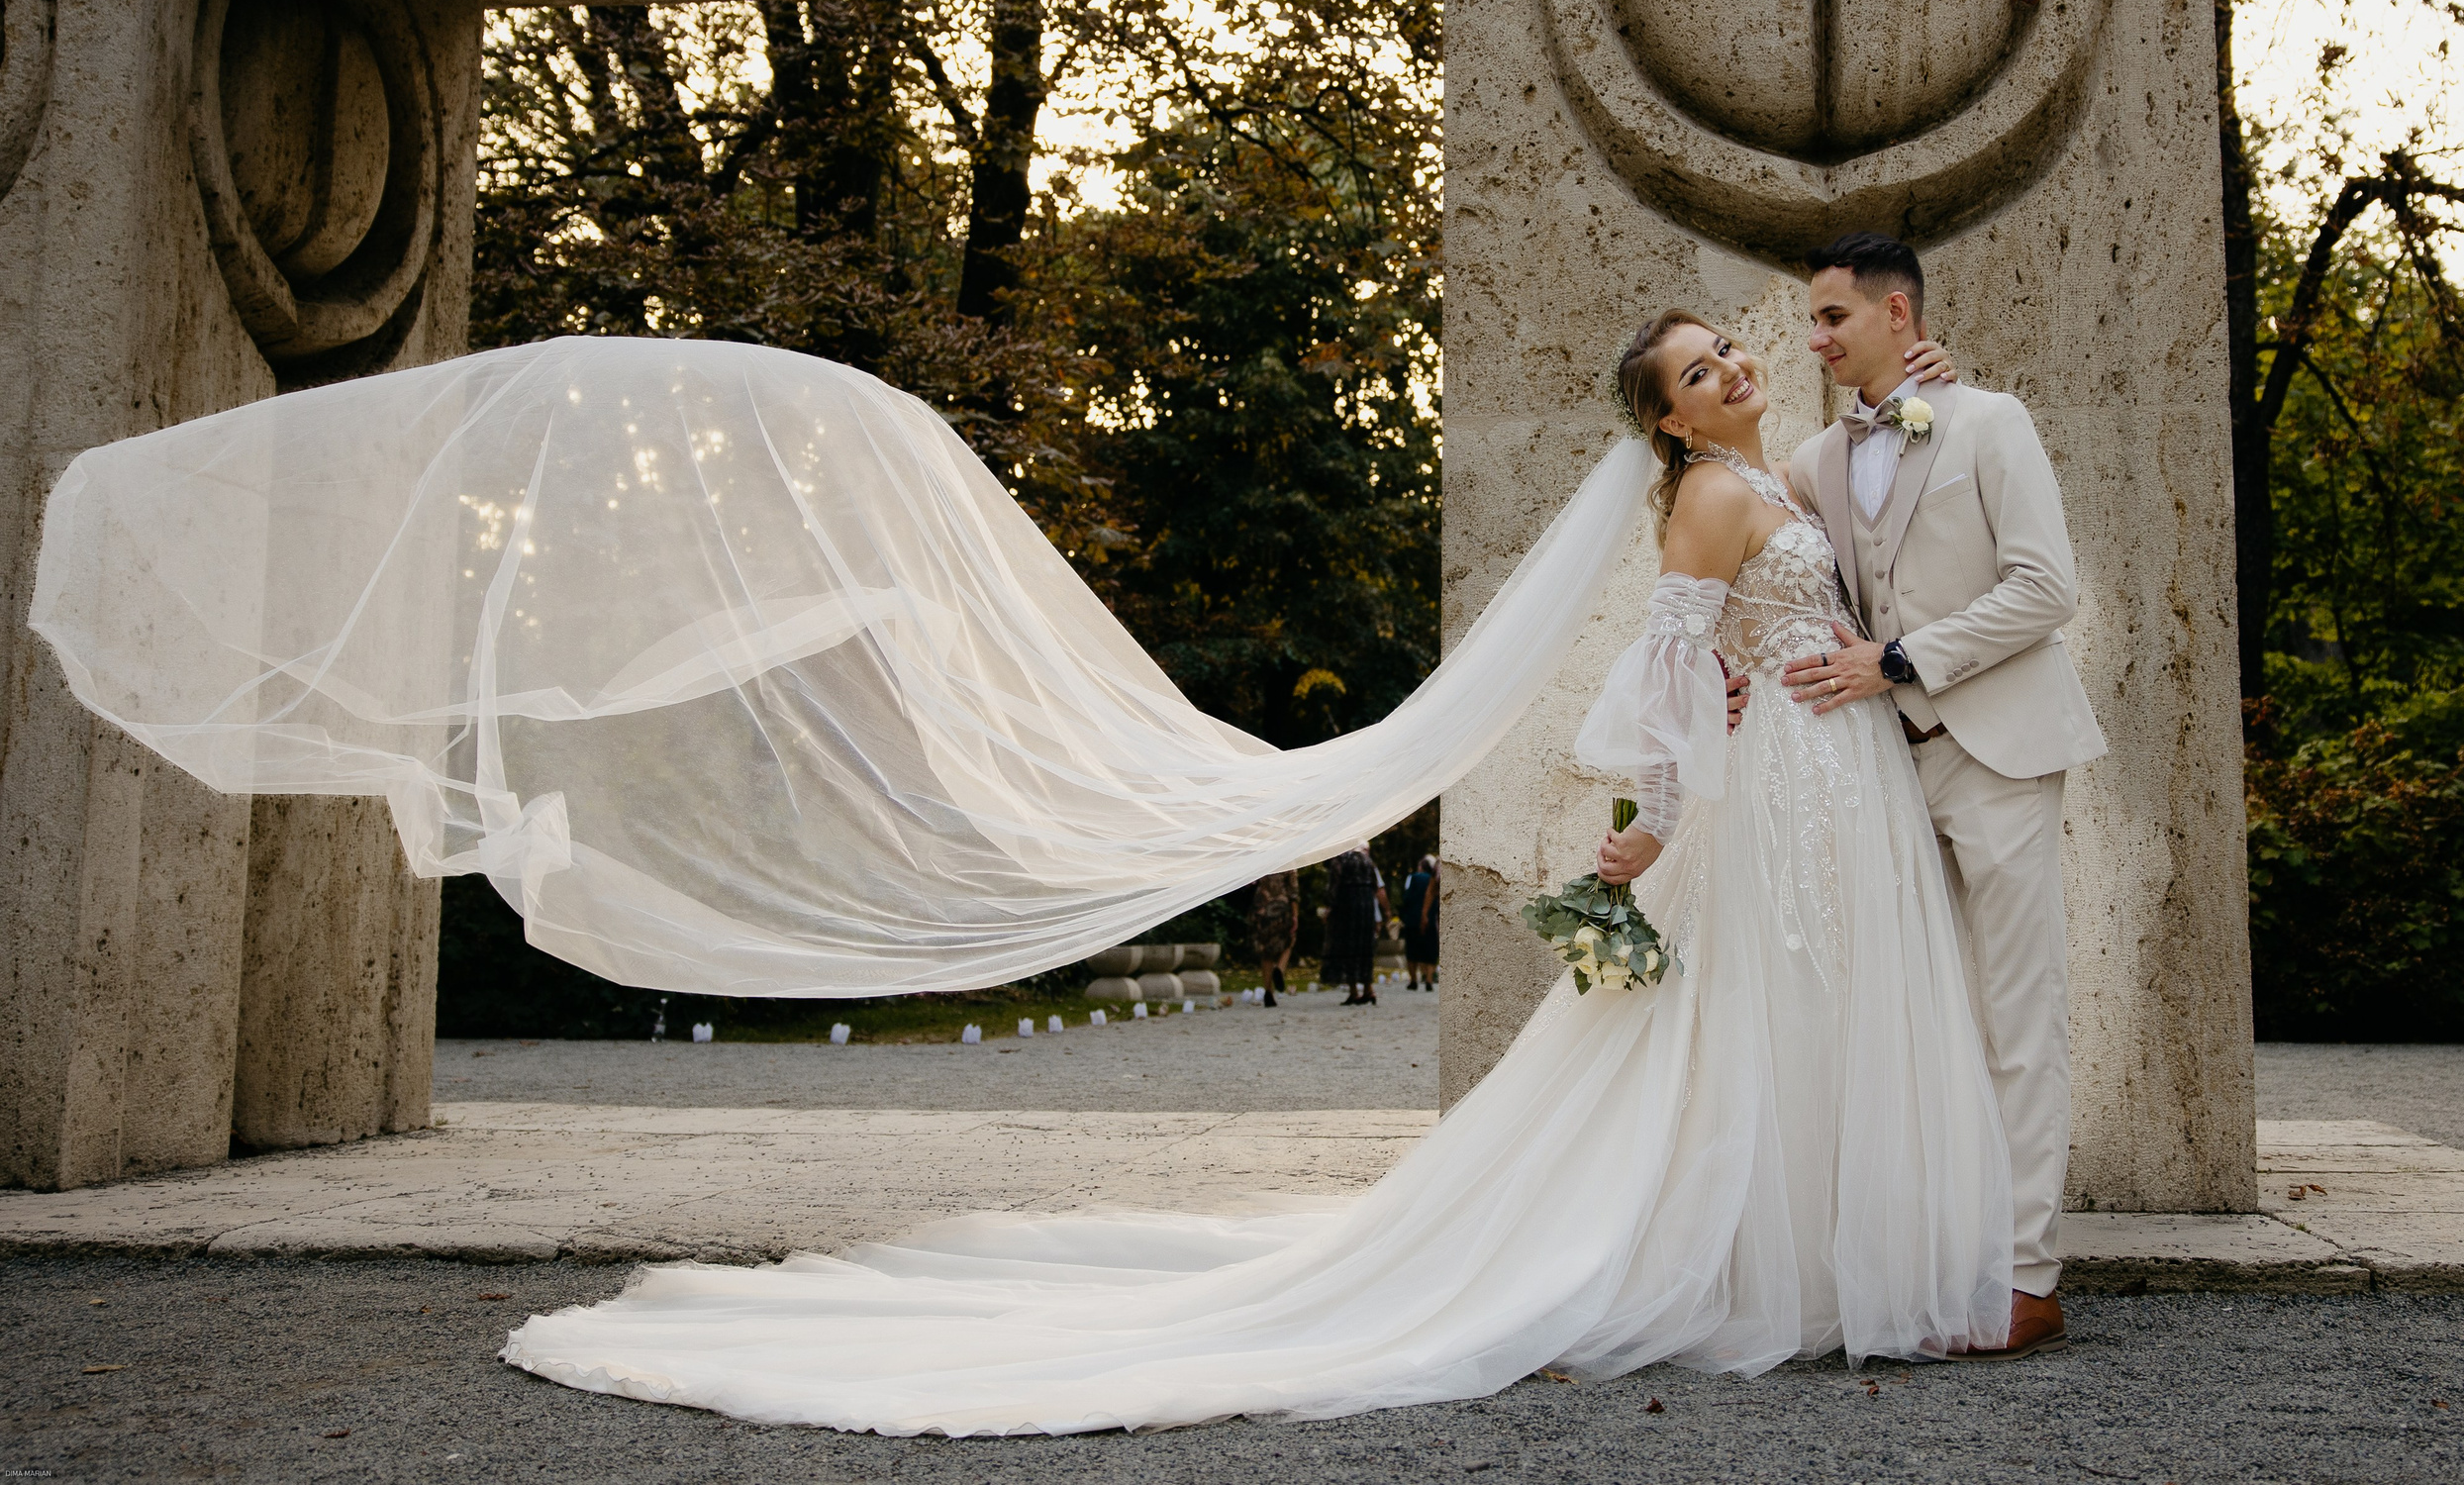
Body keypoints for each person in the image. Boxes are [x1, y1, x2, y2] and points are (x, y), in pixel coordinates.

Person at [32, 324, 1995, 1436]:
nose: (1736, 361)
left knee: (1733, 1033)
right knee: (1731, 1027)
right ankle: (1764, 1263)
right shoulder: (1722, 495)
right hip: (1772, 794)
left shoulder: (1769, 475)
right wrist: (1643, 827)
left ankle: (1782, 1254)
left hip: (1797, 783)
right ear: (1668, 416)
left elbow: (1778, 606)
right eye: (1704, 360)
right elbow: (1672, 667)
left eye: (1736, 345)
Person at [1777, 233, 2106, 1361]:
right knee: (1917, 1020)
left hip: (1998, 745)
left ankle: (2026, 1279)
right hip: (1882, 766)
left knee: (2019, 1016)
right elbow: (1760, 570)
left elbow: (2044, 588)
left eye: (1831, 318)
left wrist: (1903, 660)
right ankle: (1930, 1256)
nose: (1814, 339)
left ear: (1896, 314)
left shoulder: (1988, 421)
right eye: (1812, 320)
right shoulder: (1818, 460)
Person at [1327, 843, 1386, 1006]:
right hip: (1366, 905)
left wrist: (1330, 907)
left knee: (1348, 946)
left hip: (1347, 905)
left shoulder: (1340, 860)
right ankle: (1368, 988)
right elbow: (1375, 885)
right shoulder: (1367, 860)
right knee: (1366, 947)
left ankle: (1354, 991)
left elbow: (1334, 887)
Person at [1247, 868, 1300, 1007]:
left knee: (1266, 950)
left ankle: (1268, 991)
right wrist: (1295, 915)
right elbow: (1293, 892)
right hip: (1281, 908)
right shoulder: (1290, 864)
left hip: (1262, 907)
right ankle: (1280, 969)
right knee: (1288, 942)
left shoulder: (1265, 859)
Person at [1400, 853, 1439, 990]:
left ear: (1421, 866)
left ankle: (1413, 980)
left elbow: (1407, 897)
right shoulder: (1434, 879)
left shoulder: (1413, 878)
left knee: (1412, 950)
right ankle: (1428, 979)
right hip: (1431, 917)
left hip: (1412, 918)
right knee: (1430, 949)